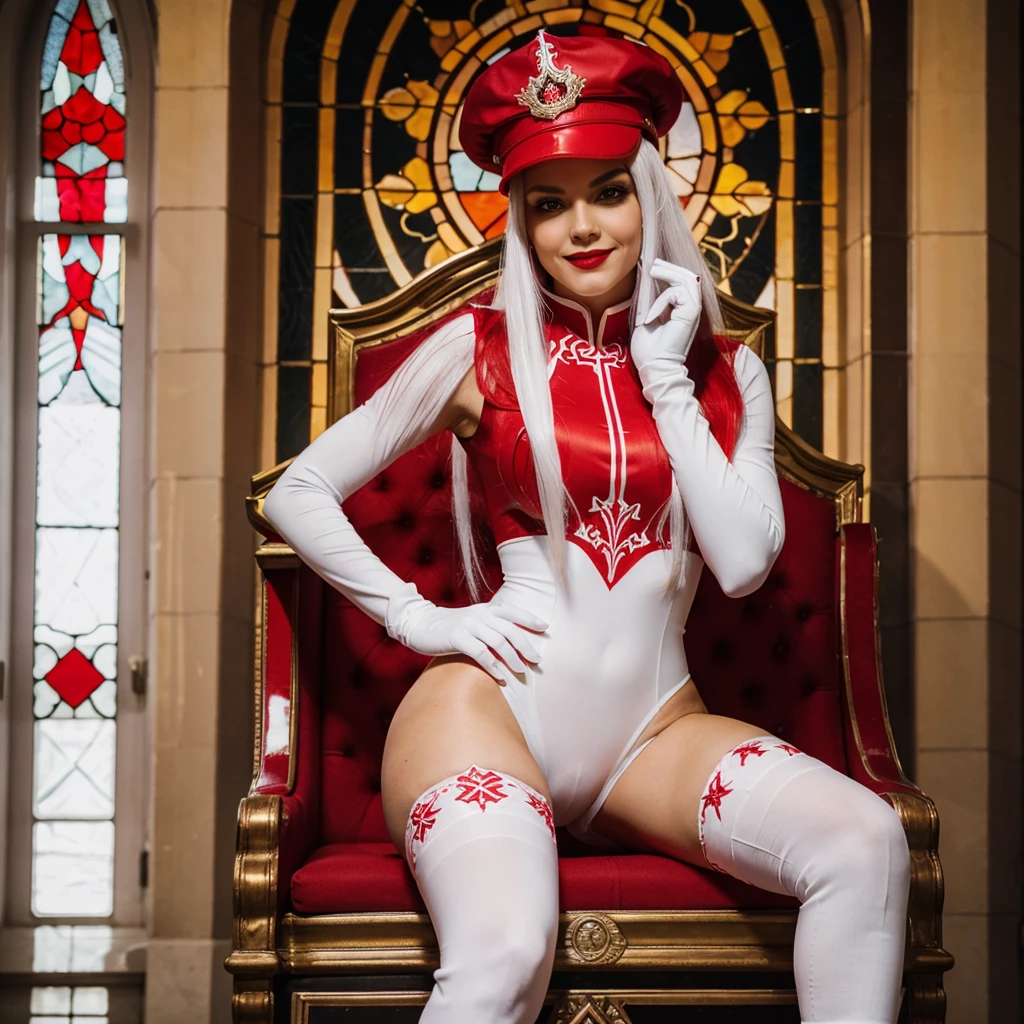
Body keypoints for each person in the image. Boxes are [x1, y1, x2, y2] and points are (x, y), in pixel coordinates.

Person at [263, 30, 911, 1024]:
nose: (580, 225)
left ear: (649, 195)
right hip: (486, 714)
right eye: (546, 203)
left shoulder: (725, 370)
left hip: (654, 736)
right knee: (506, 953)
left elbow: (741, 564)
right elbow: (295, 491)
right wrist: (417, 617)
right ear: (518, 224)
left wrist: (665, 372)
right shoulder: (470, 350)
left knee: (866, 842)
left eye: (606, 190)